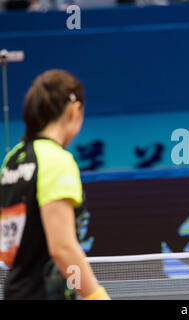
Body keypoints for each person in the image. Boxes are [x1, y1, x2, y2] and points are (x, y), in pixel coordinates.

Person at [0, 69, 110, 300]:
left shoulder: (13, 159)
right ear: (73, 110)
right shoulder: (55, 160)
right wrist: (97, 296)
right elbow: (62, 249)